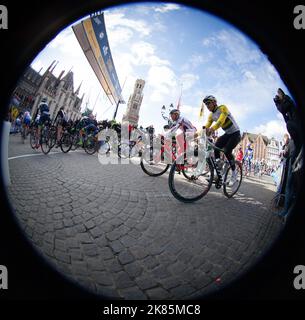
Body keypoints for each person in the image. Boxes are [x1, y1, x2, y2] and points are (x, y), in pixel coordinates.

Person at [202, 95, 241, 185]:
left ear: (215, 102)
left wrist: (212, 129)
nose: (207, 106)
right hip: (227, 134)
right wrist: (197, 134)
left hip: (235, 133)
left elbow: (221, 121)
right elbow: (206, 126)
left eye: (209, 103)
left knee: (227, 151)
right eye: (206, 104)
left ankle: (234, 174)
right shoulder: (211, 116)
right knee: (216, 146)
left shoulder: (223, 108)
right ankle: (218, 172)